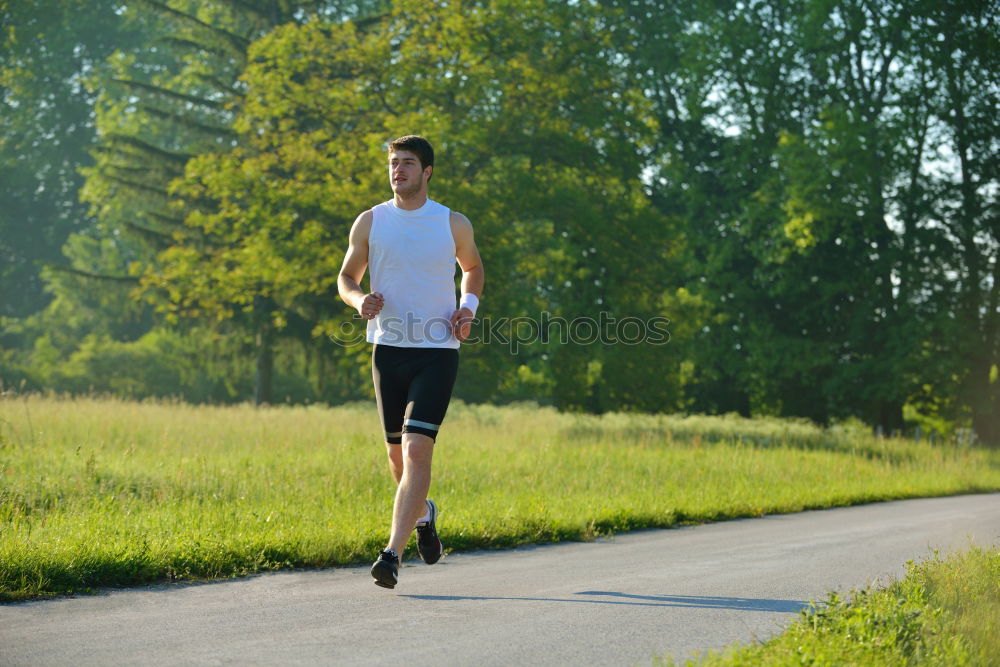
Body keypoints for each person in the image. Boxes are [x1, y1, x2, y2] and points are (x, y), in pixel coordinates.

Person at [337, 135, 485, 589]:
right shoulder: (371, 221)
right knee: (397, 457)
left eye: (407, 163)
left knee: (419, 448)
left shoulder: (452, 223)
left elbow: (473, 269)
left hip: (438, 350)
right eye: (394, 163)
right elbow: (346, 277)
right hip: (388, 349)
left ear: (427, 172)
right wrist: (359, 300)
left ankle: (391, 555)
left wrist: (468, 309)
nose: (398, 170)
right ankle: (424, 516)